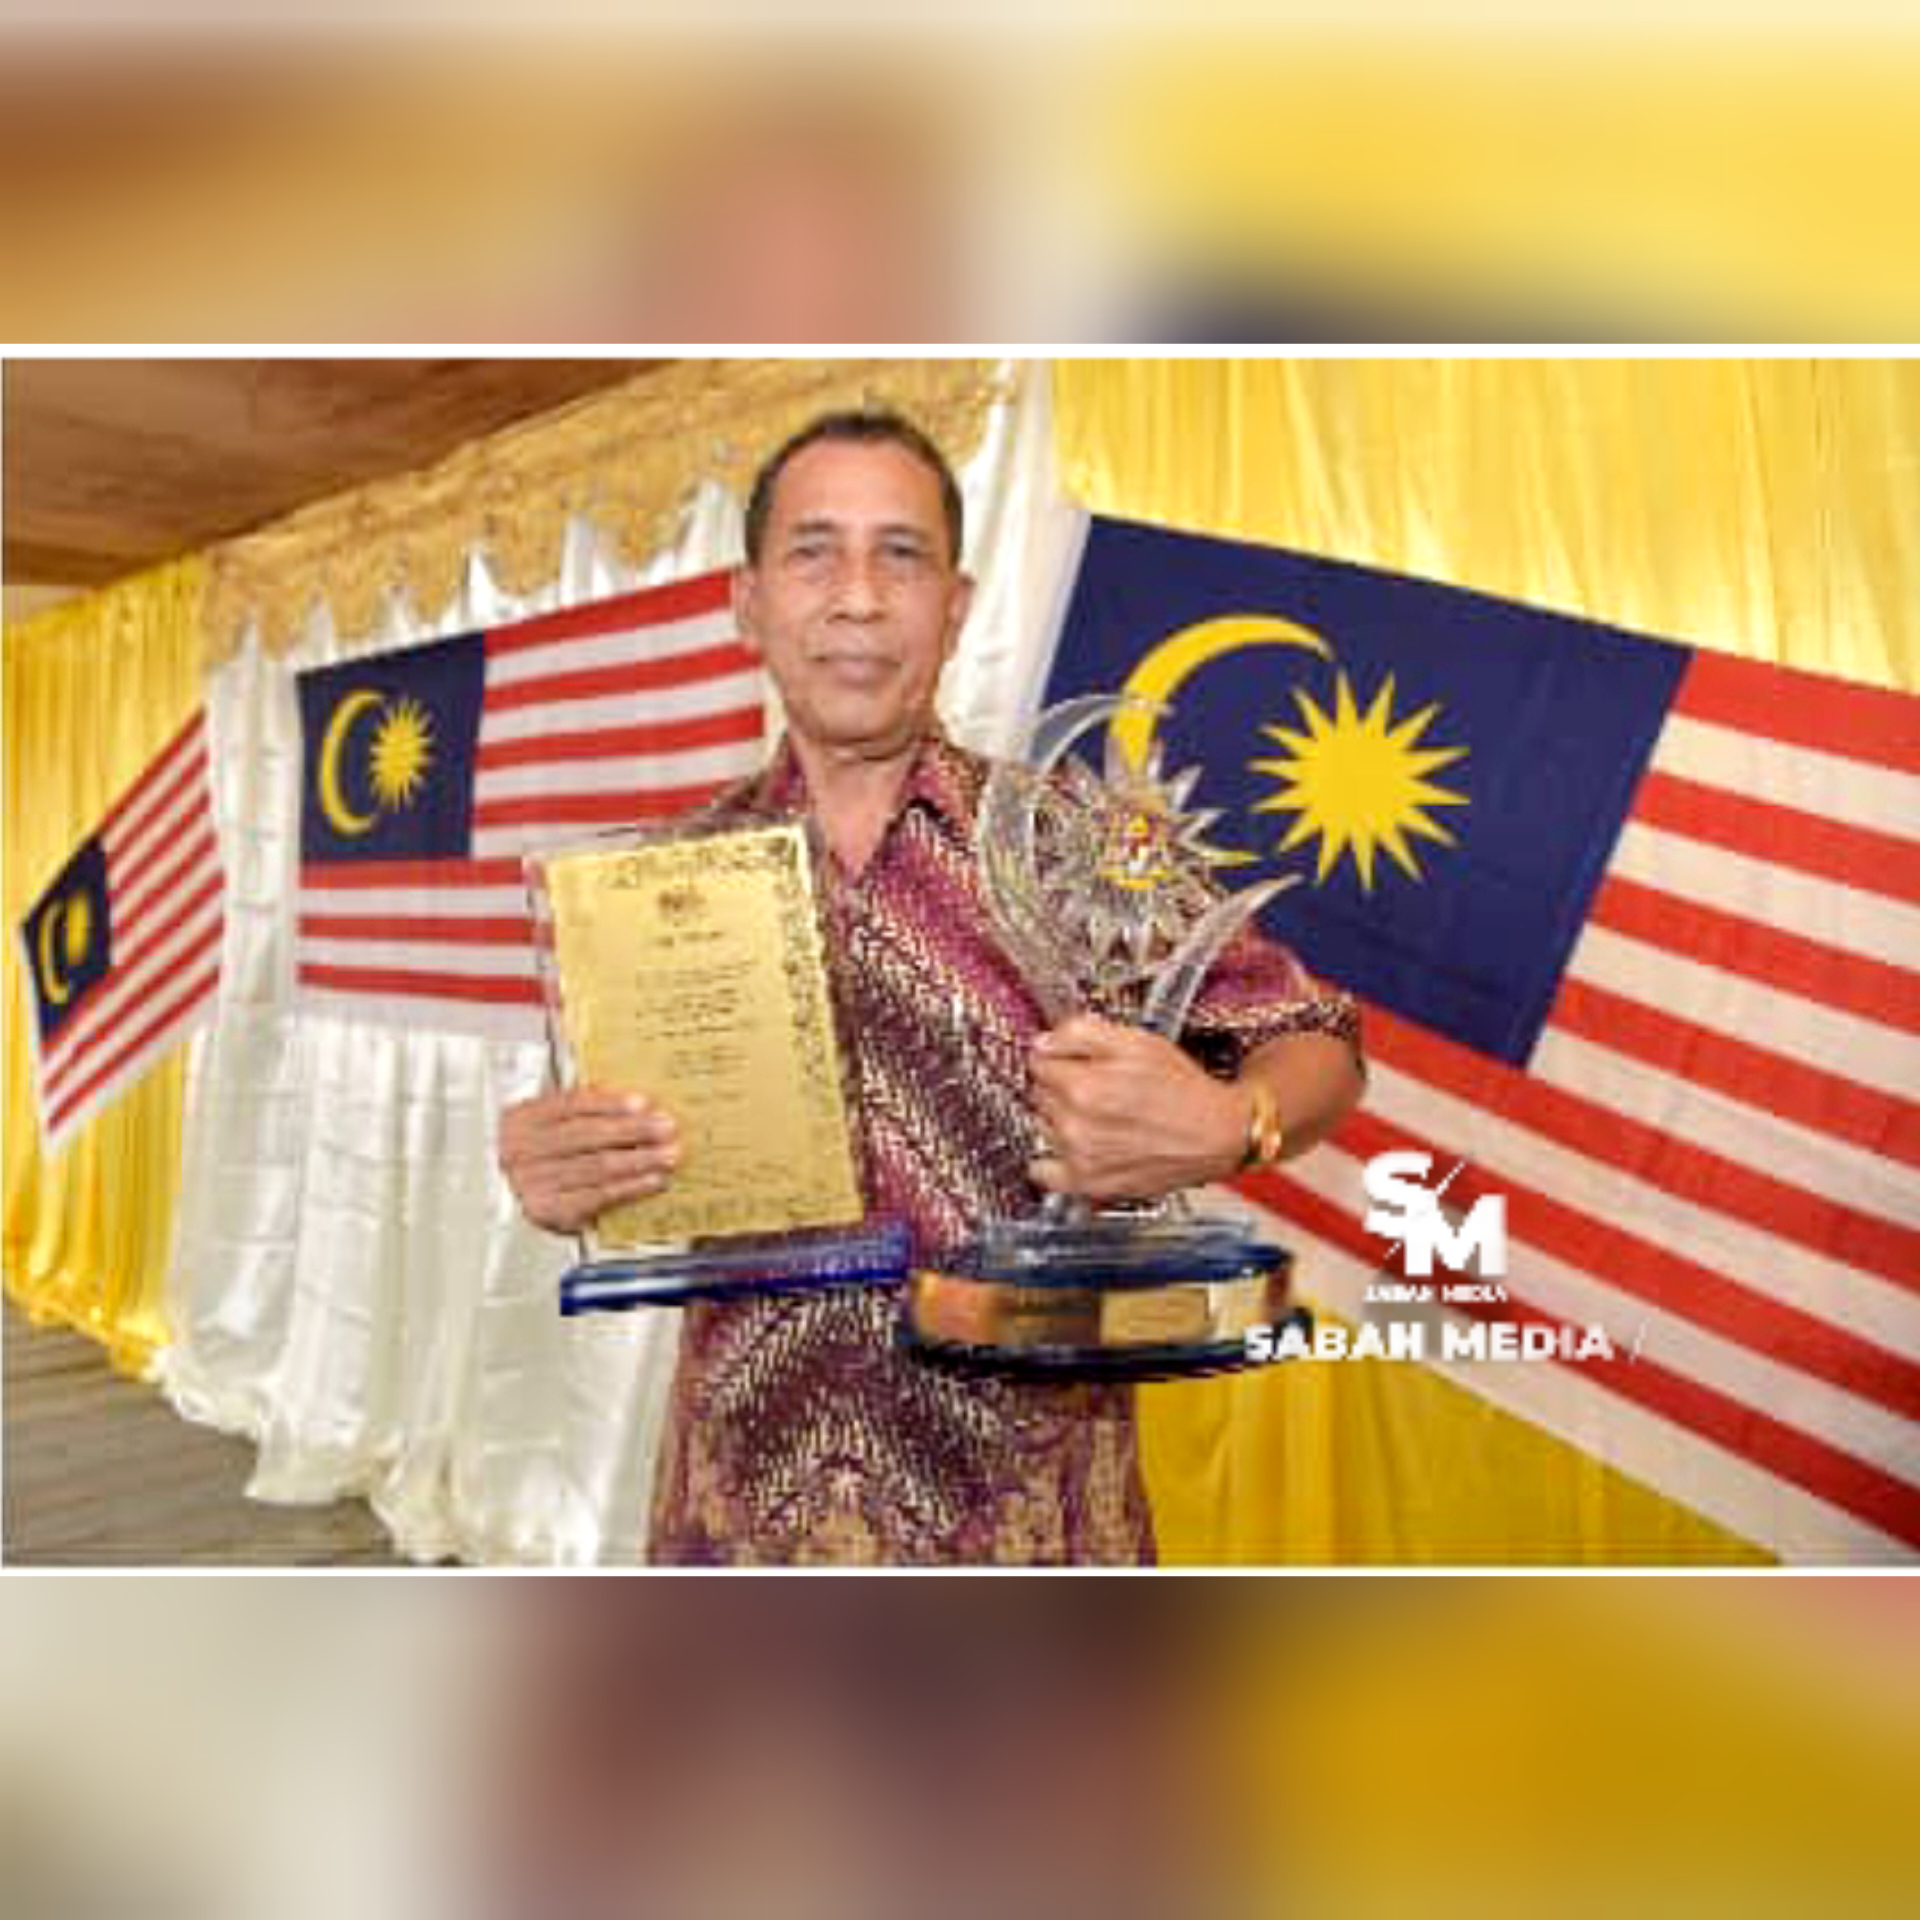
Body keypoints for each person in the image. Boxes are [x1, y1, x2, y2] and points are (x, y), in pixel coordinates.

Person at [498, 409, 1362, 1563]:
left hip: (1032, 1525)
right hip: (746, 1521)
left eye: (899, 554)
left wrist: (1232, 1121)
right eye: (813, 552)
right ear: (748, 604)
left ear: (954, 608)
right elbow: (613, 1154)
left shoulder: (1075, 846)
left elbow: (1319, 1040)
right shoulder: (660, 887)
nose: (858, 597)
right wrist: (561, 1171)